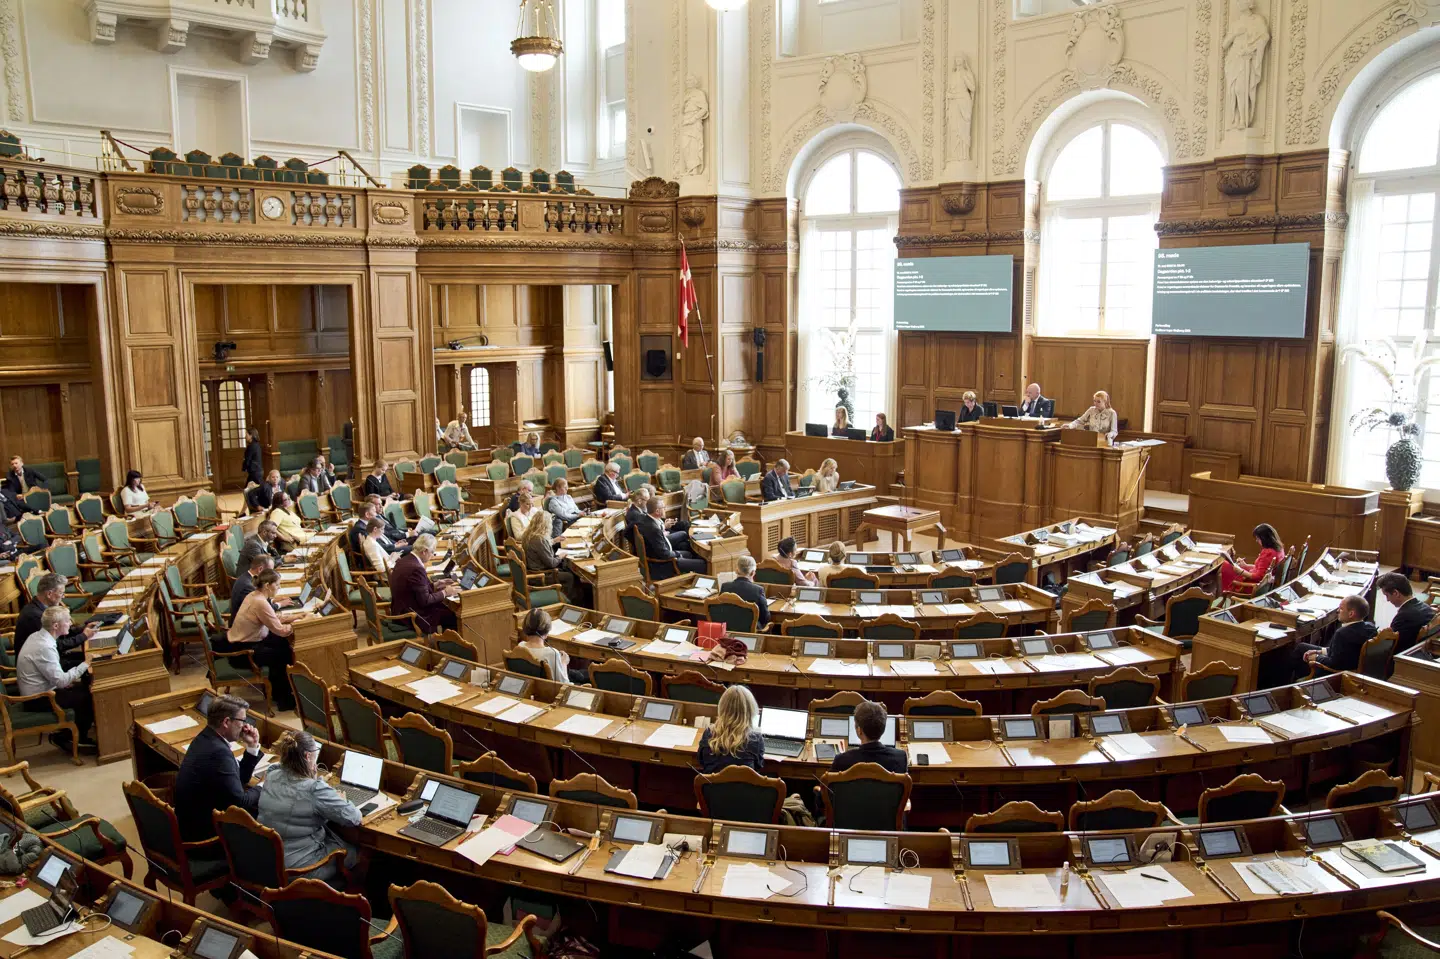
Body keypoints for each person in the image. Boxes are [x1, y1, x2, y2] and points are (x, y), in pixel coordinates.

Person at [257, 729, 362, 884]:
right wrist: (339, 798)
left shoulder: (272, 774)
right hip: (300, 868)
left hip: (268, 858)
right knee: (359, 854)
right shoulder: (314, 789)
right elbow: (354, 818)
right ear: (308, 756)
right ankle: (349, 901)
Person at [175, 694, 261, 843]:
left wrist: (252, 747)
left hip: (191, 823)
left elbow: (237, 780)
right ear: (227, 722)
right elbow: (240, 802)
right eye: (242, 720)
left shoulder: (205, 737)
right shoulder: (219, 752)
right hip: (205, 838)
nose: (245, 726)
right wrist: (262, 786)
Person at [16, 606, 94, 751]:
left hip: (45, 689)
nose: (70, 623)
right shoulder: (45, 647)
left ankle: (70, 733)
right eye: (67, 621)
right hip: (37, 699)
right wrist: (85, 663)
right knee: (88, 696)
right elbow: (62, 681)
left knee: (84, 688)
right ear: (56, 626)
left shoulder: (38, 636)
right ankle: (74, 739)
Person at [225, 569, 300, 711]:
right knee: (282, 655)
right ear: (267, 585)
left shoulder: (255, 595)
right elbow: (281, 630)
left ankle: (280, 693)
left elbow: (272, 619)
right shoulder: (260, 601)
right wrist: (298, 624)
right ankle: (284, 701)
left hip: (245, 643)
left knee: (283, 645)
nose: (279, 588)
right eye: (277, 585)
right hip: (243, 652)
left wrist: (296, 617)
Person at [15, 573, 97, 660]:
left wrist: (83, 629)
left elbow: (60, 632)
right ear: (49, 594)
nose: (63, 596)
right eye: (61, 593)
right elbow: (57, 645)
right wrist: (83, 636)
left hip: (50, 656)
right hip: (40, 664)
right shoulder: (35, 616)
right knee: (93, 659)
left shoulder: (43, 607)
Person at [389, 533, 459, 633]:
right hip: (411, 616)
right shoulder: (416, 568)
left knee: (443, 606)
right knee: (452, 614)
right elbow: (425, 600)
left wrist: (436, 584)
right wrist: (446, 592)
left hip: (402, 608)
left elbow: (414, 588)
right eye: (432, 552)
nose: (432, 556)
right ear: (425, 551)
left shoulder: (405, 560)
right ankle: (446, 645)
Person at [1296, 595, 1377, 677]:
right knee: (1302, 647)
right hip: (1352, 663)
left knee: (1299, 651)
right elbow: (1344, 650)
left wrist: (1316, 657)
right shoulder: (1370, 627)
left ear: (1351, 614)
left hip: (1337, 674)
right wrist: (1319, 651)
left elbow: (1333, 664)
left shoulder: (1342, 633)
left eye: (1341, 609)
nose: (1338, 611)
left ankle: (1290, 684)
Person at [697, 686, 765, 774]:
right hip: (744, 787)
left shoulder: (709, 733)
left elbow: (701, 760)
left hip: (712, 786)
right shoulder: (756, 738)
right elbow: (758, 766)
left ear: (722, 707)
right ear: (750, 709)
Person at [830, 700, 906, 774]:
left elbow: (830, 785)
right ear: (883, 729)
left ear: (859, 730)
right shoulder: (900, 758)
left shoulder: (841, 760)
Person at [523, 510, 580, 604]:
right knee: (570, 576)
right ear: (545, 525)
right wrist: (561, 556)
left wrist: (554, 540)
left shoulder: (529, 534)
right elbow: (552, 563)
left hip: (533, 570)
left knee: (568, 569)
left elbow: (539, 548)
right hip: (541, 576)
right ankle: (569, 603)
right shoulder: (540, 540)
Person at [518, 608, 588, 684]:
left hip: (533, 688)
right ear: (547, 630)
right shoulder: (552, 653)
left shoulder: (520, 647)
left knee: (580, 674)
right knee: (586, 676)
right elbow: (564, 684)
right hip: (550, 692)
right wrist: (564, 663)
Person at [637, 498, 705, 574]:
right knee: (702, 563)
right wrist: (678, 554)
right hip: (663, 563)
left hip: (660, 549)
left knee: (684, 544)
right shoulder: (654, 529)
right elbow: (665, 554)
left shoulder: (647, 519)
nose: (665, 509)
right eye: (663, 507)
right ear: (657, 511)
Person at [229, 549, 293, 626]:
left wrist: (273, 600)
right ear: (260, 569)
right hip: (243, 628)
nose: (271, 574)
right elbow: (263, 609)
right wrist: (280, 604)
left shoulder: (248, 577)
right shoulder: (248, 586)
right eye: (270, 571)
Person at [1220, 523, 1283, 593]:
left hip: (1253, 585)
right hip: (1258, 580)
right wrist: (1246, 566)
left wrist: (1240, 571)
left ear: (1265, 538)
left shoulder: (1268, 553)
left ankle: (1217, 593)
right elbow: (1263, 569)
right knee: (1226, 565)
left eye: (1258, 538)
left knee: (1223, 566)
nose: (1256, 541)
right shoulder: (1279, 549)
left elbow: (1259, 577)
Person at [1380, 572, 1434, 651]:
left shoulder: (1403, 617)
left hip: (1404, 658)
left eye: (1387, 595)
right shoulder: (1426, 607)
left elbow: (1389, 645)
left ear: (1396, 593)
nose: (1387, 600)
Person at [721, 555, 770, 629]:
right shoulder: (758, 590)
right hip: (750, 631)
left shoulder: (725, 587)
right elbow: (765, 617)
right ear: (753, 573)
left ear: (736, 570)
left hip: (728, 629)